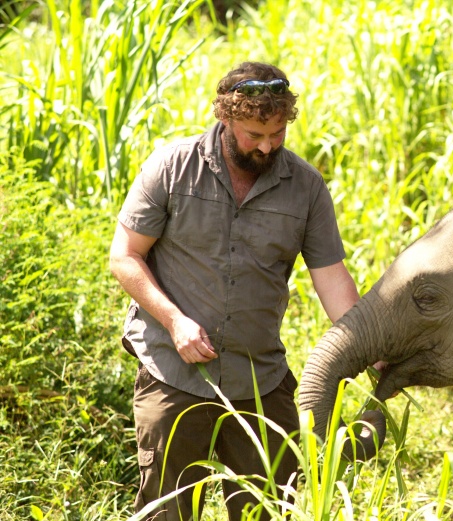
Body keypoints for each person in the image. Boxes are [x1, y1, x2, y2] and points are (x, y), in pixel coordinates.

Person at [109, 62, 361, 520]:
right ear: (225, 117)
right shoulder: (171, 167)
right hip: (174, 375)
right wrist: (174, 320)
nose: (267, 146)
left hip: (258, 381)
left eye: (278, 133)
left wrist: (370, 345)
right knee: (167, 513)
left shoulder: (305, 187)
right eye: (253, 135)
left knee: (268, 510)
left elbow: (332, 278)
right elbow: (125, 256)